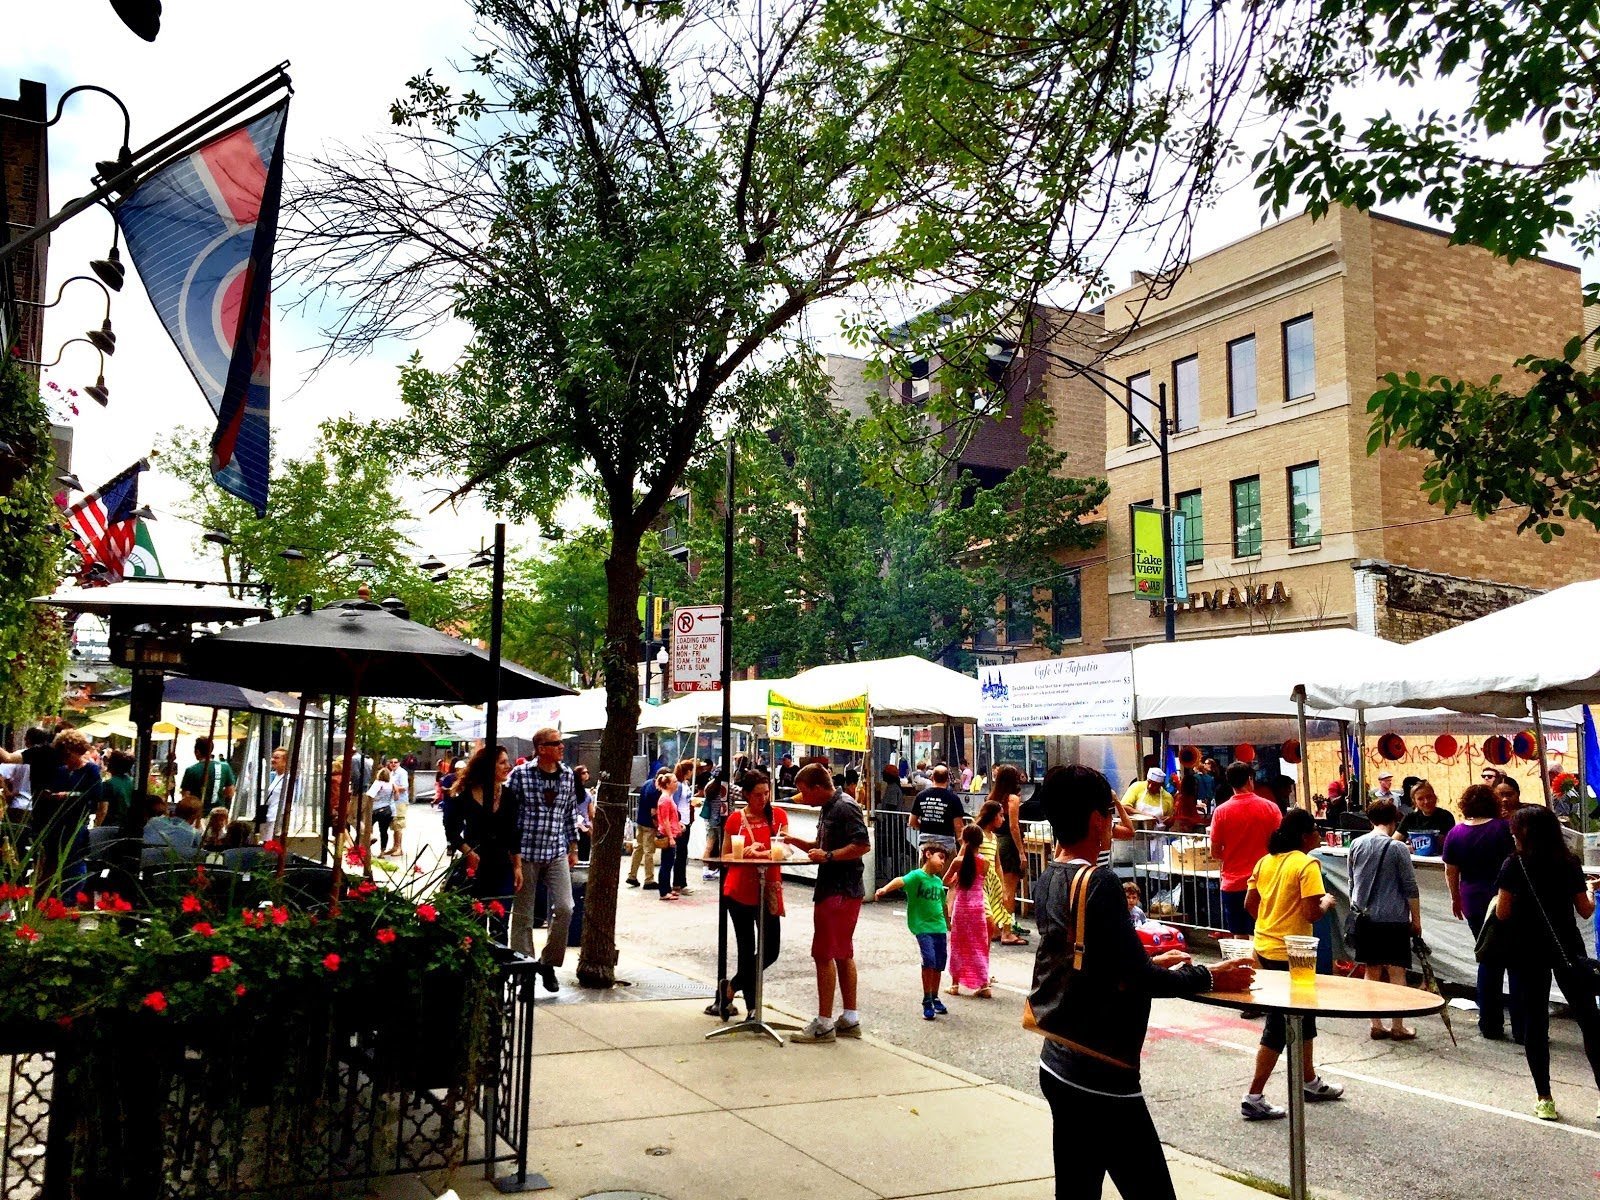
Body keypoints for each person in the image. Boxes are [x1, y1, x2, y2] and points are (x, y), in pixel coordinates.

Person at [1029, 763, 1255, 1200]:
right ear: (1096, 821)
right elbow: (1135, 977)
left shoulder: (1049, 877)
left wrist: (1152, 956)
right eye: (1110, 817)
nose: (1113, 825)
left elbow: (1096, 957)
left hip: (1058, 1057)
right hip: (1102, 1069)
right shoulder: (1101, 881)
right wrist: (1208, 975)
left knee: (1077, 1190)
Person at [1495, 805, 1600, 1120]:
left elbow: (1502, 912)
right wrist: (1592, 891)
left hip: (1526, 950)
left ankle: (1545, 1097)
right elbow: (1584, 910)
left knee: (1536, 1023)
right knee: (1589, 1021)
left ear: (1522, 834)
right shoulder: (1568, 863)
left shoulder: (1514, 865)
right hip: (1566, 947)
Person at [1241, 807, 1344, 1120]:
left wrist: (1272, 921)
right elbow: (1312, 912)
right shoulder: (1306, 863)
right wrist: (1326, 900)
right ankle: (1253, 1095)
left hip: (1264, 947)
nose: (1317, 835)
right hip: (1293, 954)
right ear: (1304, 835)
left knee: (1304, 1016)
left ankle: (1309, 1080)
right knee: (1278, 1025)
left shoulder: (1265, 861)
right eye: (1314, 830)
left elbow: (1249, 904)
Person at [785, 762, 872, 1043]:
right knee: (842, 953)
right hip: (843, 888)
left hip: (838, 888)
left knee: (823, 954)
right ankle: (849, 1017)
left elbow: (862, 844)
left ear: (818, 788)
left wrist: (830, 857)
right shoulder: (831, 807)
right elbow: (823, 846)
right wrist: (795, 841)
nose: (801, 797)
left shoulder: (844, 806)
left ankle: (824, 1023)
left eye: (803, 791)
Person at [1442, 783, 1521, 1041]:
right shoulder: (1501, 829)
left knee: (1487, 959)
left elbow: (1451, 871)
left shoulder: (1455, 833)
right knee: (1515, 962)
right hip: (1503, 898)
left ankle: (1490, 1024)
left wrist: (1455, 898)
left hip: (1472, 900)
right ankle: (1521, 1025)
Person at [507, 727, 583, 991]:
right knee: (523, 915)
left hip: (555, 851)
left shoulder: (567, 776)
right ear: (541, 748)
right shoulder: (520, 775)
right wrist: (511, 852)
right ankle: (524, 970)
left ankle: (547, 962)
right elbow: (509, 812)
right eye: (557, 743)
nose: (562, 746)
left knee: (565, 908)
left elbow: (569, 813)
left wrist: (573, 847)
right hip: (525, 852)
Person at [708, 772, 789, 1019]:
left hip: (769, 888)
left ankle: (730, 987)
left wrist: (770, 853)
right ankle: (753, 1008)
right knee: (746, 948)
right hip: (740, 890)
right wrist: (747, 853)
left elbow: (784, 848)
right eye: (757, 794)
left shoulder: (778, 816)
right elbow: (725, 857)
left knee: (771, 949)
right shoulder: (736, 819)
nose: (763, 799)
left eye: (766, 793)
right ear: (746, 794)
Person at [1348, 800, 1422, 1040]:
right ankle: (1398, 1025)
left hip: (1365, 917)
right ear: (1395, 820)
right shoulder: (1398, 848)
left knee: (1372, 970)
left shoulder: (1356, 844)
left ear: (1370, 819)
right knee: (1396, 972)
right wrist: (1416, 919)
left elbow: (1352, 881)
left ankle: (1376, 1023)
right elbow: (1410, 887)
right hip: (1393, 918)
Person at [875, 843, 952, 1021]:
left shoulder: (938, 881)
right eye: (940, 857)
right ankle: (927, 999)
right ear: (928, 854)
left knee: (939, 963)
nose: (942, 863)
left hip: (939, 927)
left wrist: (948, 924)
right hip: (923, 927)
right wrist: (885, 889)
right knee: (930, 960)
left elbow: (943, 904)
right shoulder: (917, 876)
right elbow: (900, 880)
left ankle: (935, 996)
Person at [1208, 760, 1281, 939]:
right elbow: (1281, 844)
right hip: (1265, 881)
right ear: (1250, 779)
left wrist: (1232, 855)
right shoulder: (1270, 807)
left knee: (1239, 938)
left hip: (1233, 883)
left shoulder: (1221, 812)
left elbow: (1215, 851)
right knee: (1264, 935)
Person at [444, 744, 518, 903]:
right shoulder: (464, 795)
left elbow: (514, 834)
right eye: (502, 762)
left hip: (503, 867)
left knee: (500, 922)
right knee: (476, 919)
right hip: (475, 864)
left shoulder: (509, 796)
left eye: (508, 762)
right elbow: (451, 830)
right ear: (488, 766)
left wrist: (517, 867)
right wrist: (468, 851)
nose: (508, 766)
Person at [32, 728, 101, 892]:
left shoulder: (90, 770)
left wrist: (70, 795)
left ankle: (72, 899)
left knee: (73, 861)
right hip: (57, 823)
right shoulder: (60, 771)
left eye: (68, 755)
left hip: (76, 823)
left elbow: (94, 794)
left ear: (78, 751)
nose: (65, 759)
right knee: (51, 861)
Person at [944, 824, 993, 997]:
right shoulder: (985, 862)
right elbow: (981, 879)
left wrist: (957, 878)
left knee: (958, 944)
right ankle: (983, 983)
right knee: (979, 944)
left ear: (964, 841)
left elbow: (946, 880)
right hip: (978, 907)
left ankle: (955, 984)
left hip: (962, 907)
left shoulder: (958, 862)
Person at [975, 799, 1025, 945]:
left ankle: (995, 931)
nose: (1003, 819)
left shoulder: (994, 838)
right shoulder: (978, 835)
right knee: (986, 911)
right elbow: (965, 856)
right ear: (992, 816)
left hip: (991, 880)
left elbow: (997, 864)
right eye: (1001, 816)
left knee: (995, 908)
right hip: (980, 880)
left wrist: (1001, 884)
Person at [989, 764, 1030, 938]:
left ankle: (996, 929)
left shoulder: (991, 798)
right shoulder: (1012, 799)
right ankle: (1007, 930)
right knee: (1009, 889)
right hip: (1008, 844)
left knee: (996, 889)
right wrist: (1021, 852)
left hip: (995, 842)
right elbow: (1014, 826)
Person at [909, 764, 965, 853]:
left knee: (925, 867)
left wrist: (924, 826)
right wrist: (964, 848)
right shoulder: (953, 798)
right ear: (947, 779)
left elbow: (912, 821)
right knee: (946, 867)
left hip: (925, 845)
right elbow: (958, 827)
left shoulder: (920, 796)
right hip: (946, 845)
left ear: (932, 778)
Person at [626, 768, 661, 889]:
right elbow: (653, 812)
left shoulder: (647, 783)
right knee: (649, 851)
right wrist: (657, 826)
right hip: (649, 824)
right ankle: (649, 879)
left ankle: (632, 875)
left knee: (638, 848)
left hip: (640, 820)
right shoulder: (655, 791)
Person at [653, 770, 684, 901]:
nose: (677, 784)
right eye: (674, 782)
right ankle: (663, 891)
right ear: (668, 784)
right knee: (666, 864)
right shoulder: (665, 799)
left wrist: (678, 824)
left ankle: (667, 888)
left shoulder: (667, 798)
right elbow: (665, 820)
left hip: (672, 831)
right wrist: (671, 837)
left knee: (669, 862)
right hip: (667, 834)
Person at [180, 737, 235, 810]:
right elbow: (230, 793)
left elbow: (185, 797)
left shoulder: (191, 770)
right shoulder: (225, 767)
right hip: (217, 814)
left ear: (197, 752)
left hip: (197, 814)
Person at [1397, 779, 1455, 843]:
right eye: (1420, 799)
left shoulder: (1445, 817)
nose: (1426, 802)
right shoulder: (1409, 818)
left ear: (1435, 797)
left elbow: (1447, 843)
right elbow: (1393, 842)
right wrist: (1406, 847)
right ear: (1415, 802)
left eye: (1429, 797)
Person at [670, 759, 697, 895]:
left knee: (683, 853)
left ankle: (680, 882)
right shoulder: (679, 786)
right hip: (681, 823)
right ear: (688, 771)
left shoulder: (685, 784)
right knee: (680, 853)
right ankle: (678, 883)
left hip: (686, 821)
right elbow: (674, 804)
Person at [260, 746, 296, 843]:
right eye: (273, 757)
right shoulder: (276, 776)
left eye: (277, 758)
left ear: (285, 761)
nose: (273, 760)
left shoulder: (287, 779)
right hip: (269, 816)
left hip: (277, 817)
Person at [93, 748, 136, 829]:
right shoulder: (133, 782)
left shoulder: (108, 784)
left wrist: (97, 827)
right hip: (129, 825)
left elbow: (103, 810)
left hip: (111, 826)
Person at [383, 756, 410, 858]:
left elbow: (404, 787)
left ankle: (399, 848)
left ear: (399, 763)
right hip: (393, 801)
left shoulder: (402, 772)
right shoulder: (392, 773)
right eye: (391, 762)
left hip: (400, 801)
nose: (393, 764)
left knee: (398, 824)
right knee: (394, 824)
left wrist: (392, 788)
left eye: (395, 762)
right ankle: (395, 846)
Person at [367, 767, 398, 855]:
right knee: (384, 831)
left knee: (367, 827)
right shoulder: (390, 784)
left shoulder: (378, 783)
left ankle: (368, 847)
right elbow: (395, 796)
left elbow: (370, 795)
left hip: (375, 809)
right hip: (387, 809)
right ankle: (382, 851)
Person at [573, 763, 594, 862]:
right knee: (584, 857)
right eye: (584, 773)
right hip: (584, 827)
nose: (587, 774)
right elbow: (591, 813)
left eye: (587, 772)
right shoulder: (587, 795)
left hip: (573, 826)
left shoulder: (570, 792)